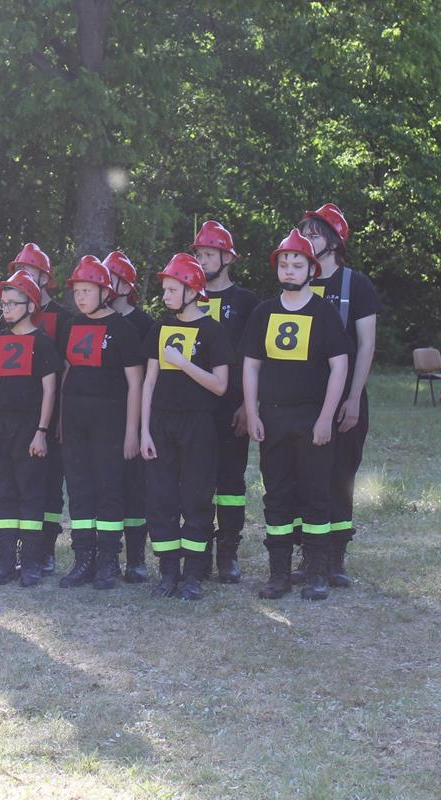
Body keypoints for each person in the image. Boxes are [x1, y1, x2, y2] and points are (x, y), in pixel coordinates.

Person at [242, 230, 349, 601]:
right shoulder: (263, 312)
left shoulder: (324, 313)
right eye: (284, 264)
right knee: (276, 494)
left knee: (315, 494)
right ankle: (279, 574)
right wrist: (252, 411)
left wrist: (326, 417)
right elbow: (251, 365)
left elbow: (339, 366)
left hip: (311, 418)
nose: (289, 270)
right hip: (272, 418)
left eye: (297, 264)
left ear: (311, 269)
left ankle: (316, 572)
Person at [297, 203, 383, 587]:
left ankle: (335, 557)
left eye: (314, 234)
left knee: (339, 477)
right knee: (303, 478)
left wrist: (353, 398)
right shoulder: (296, 279)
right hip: (302, 401)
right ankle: (308, 554)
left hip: (345, 398)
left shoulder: (356, 286)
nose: (306, 239)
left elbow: (366, 346)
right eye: (304, 233)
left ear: (334, 242)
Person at [139, 254, 232, 599]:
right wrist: (144, 431)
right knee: (161, 497)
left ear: (192, 291)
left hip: (199, 424)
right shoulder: (159, 329)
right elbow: (149, 382)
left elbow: (220, 385)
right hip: (161, 423)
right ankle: (168, 572)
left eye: (171, 289)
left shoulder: (213, 332)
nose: (165, 296)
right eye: (164, 289)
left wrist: (183, 363)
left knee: (196, 497)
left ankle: (193, 573)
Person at [56, 255, 143, 590]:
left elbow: (135, 383)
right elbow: (66, 372)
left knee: (109, 488)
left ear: (105, 292)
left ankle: (108, 560)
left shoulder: (123, 329)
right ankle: (83, 559)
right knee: (79, 489)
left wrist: (132, 431)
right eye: (77, 291)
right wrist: (61, 419)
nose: (80, 297)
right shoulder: (69, 326)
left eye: (87, 290)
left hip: (111, 422)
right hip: (75, 421)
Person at [0, 270, 58, 587]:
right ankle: (6, 560)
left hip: (30, 427)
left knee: (31, 492)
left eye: (13, 303)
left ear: (31, 306)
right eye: (3, 303)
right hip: (1, 427)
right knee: (3, 493)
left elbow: (50, 390)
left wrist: (41, 431)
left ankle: (32, 561)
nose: (7, 309)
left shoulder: (43, 342)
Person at [190, 220, 260, 582]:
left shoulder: (247, 303)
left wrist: (249, 405)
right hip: (194, 411)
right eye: (199, 254)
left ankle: (228, 552)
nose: (202, 260)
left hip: (232, 409)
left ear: (227, 258)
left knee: (231, 483)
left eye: (209, 254)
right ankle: (198, 552)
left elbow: (255, 360)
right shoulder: (187, 298)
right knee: (197, 482)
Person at [8, 243, 70, 575]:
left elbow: (68, 368)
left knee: (50, 483)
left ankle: (46, 549)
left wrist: (61, 415)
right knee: (19, 482)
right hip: (16, 414)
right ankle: (21, 548)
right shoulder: (9, 315)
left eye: (29, 270)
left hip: (52, 412)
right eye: (18, 270)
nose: (23, 275)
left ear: (45, 277)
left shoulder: (64, 317)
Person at [102, 250, 155, 583]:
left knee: (135, 488)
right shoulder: (91, 321)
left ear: (126, 285)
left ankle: (136, 557)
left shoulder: (145, 324)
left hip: (133, 416)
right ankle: (105, 554)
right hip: (101, 418)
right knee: (105, 486)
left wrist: (138, 427)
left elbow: (148, 378)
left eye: (111, 278)